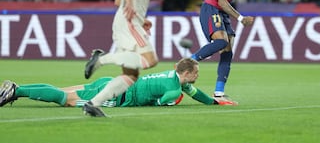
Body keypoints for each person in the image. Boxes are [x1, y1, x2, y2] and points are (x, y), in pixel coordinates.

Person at [82, 0, 159, 116]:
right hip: (128, 20)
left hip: (127, 20)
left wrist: (140, 17)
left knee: (131, 75)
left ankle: (93, 103)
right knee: (150, 60)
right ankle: (101, 59)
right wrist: (132, 7)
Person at [166, 0, 255, 100]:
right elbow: (221, 1)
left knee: (227, 50)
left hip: (222, 11)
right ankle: (187, 62)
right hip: (212, 8)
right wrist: (241, 18)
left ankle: (219, 92)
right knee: (221, 42)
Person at [0, 58, 236, 113]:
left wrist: (215, 101)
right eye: (195, 73)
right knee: (65, 99)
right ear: (186, 73)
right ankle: (16, 90)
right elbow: (167, 101)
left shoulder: (175, 79)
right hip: (117, 96)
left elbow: (198, 95)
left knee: (64, 91)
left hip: (114, 82)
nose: (197, 76)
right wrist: (167, 101)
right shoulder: (176, 88)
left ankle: (17, 88)